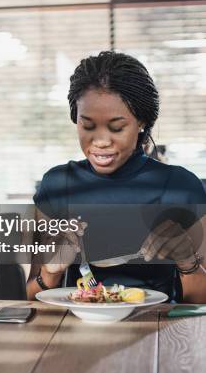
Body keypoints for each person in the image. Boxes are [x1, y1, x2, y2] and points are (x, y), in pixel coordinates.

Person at [26, 51, 206, 303]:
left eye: (117, 127)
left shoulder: (181, 187)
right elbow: (33, 298)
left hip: (159, 332)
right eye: (87, 125)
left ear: (142, 121)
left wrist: (188, 263)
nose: (100, 141)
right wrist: (50, 271)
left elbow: (201, 307)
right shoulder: (57, 185)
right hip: (77, 330)